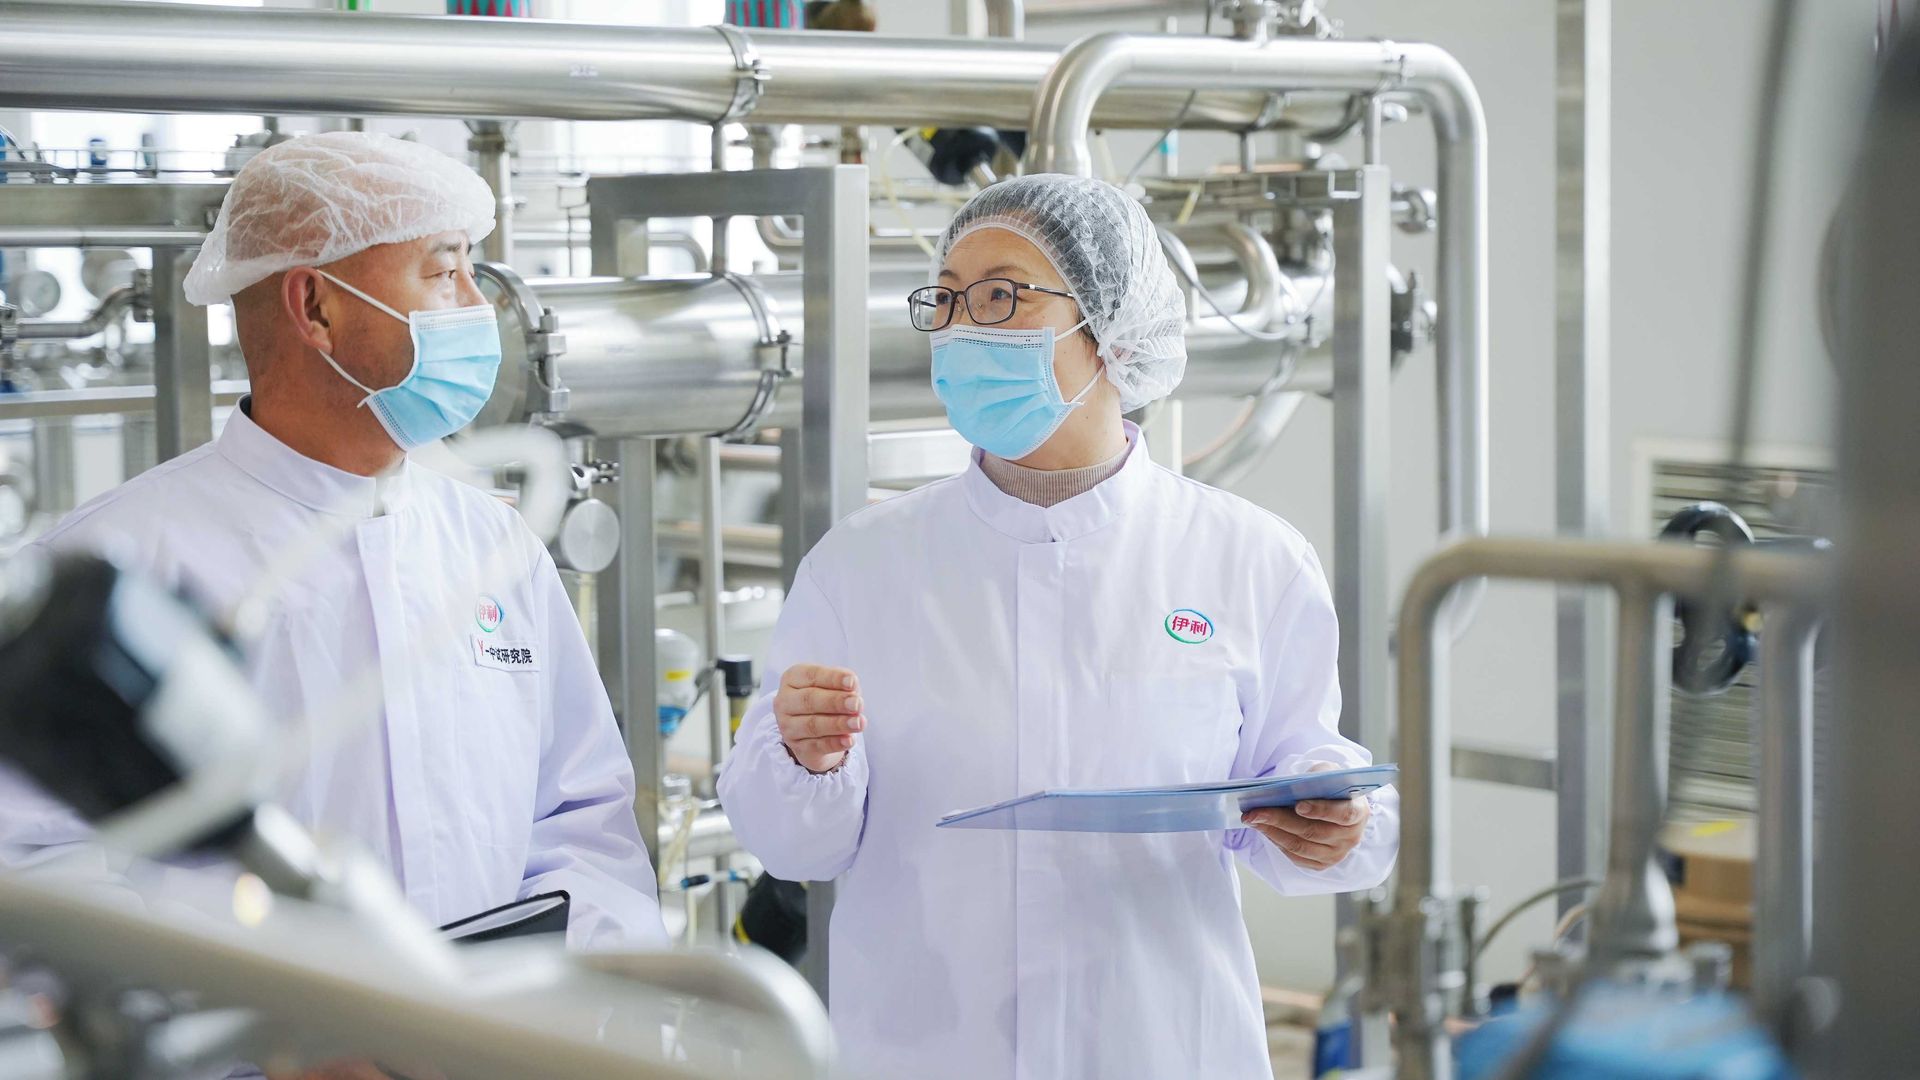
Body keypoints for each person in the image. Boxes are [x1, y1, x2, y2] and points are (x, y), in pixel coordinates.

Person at [719, 173, 1399, 1079]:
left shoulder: (1250, 559)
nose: (964, 328)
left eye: (1001, 296)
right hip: (928, 1053)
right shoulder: (859, 567)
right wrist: (806, 760)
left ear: (1111, 327)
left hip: (1160, 1047)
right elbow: (793, 845)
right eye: (947, 300)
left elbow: (1310, 786)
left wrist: (1332, 820)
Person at [0, 132, 667, 955]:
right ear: (316, 307)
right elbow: (33, 872)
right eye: (442, 270)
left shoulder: (496, 544)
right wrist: (244, 1017)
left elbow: (582, 822)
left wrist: (561, 993)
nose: (478, 303)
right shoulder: (112, 572)